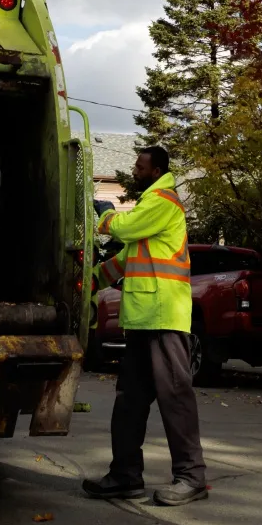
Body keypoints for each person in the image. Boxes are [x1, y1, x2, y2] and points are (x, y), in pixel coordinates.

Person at [80, 144, 208, 506]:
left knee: (175, 397)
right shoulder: (152, 203)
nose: (134, 169)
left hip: (164, 316)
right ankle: (124, 476)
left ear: (156, 170)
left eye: (139, 165)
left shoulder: (163, 200)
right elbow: (126, 260)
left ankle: (191, 477)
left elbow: (125, 229)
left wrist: (105, 216)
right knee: (129, 401)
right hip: (143, 319)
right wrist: (89, 280)